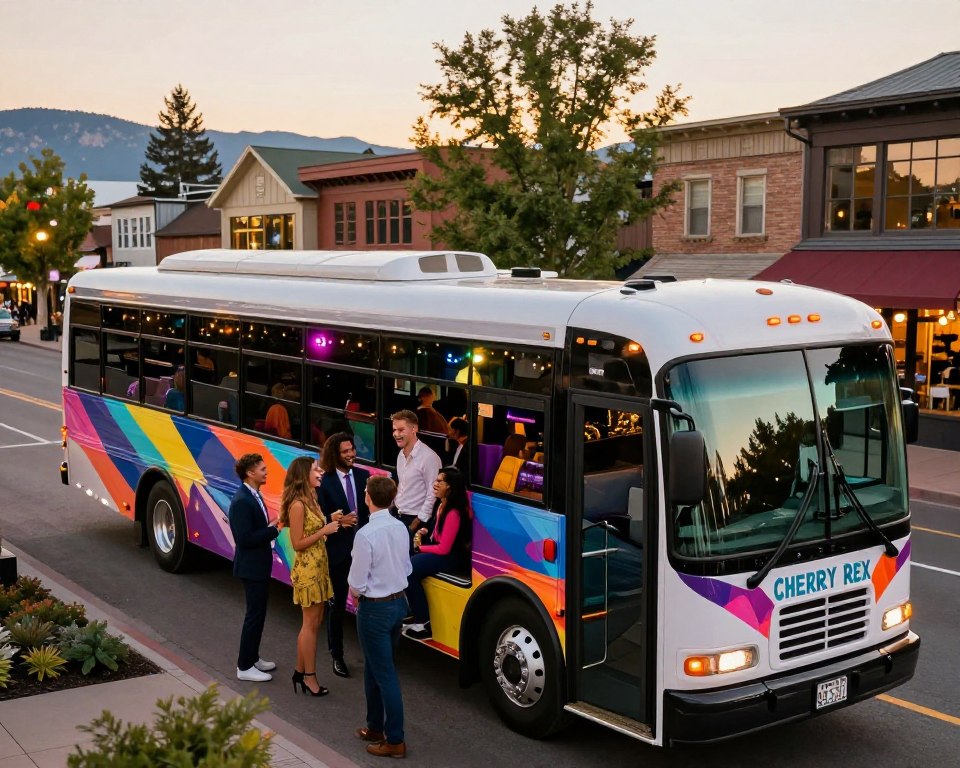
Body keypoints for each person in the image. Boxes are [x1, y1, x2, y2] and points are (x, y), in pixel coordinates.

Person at [349, 475, 411, 759]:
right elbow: (407, 567)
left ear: (367, 498)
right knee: (375, 668)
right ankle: (374, 726)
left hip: (374, 609)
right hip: (398, 604)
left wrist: (356, 592)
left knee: (384, 674)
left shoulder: (365, 534)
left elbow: (356, 582)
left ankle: (395, 740)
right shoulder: (400, 527)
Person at [280, 455, 343, 697]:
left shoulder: (312, 498)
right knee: (310, 625)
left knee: (314, 624)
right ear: (304, 475)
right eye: (316, 469)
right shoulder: (297, 505)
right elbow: (297, 543)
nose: (321, 472)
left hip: (319, 568)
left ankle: (300, 671)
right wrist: (325, 530)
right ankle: (309, 677)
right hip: (308, 572)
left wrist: (331, 520)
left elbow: (314, 528)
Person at [318, 431, 370, 678]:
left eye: (352, 449)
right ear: (335, 455)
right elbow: (317, 519)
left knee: (368, 604)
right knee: (337, 606)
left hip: (364, 553)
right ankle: (336, 655)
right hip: (338, 553)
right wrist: (338, 521)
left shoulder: (363, 476)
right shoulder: (324, 482)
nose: (351, 454)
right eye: (345, 451)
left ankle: (371, 653)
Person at [228, 453, 280, 682]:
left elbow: (254, 530)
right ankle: (244, 666)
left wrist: (271, 525)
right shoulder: (242, 500)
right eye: (262, 469)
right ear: (250, 473)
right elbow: (244, 538)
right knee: (254, 616)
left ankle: (253, 657)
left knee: (258, 615)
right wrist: (274, 530)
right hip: (251, 568)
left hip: (259, 565)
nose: (266, 472)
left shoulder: (253, 495)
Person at [404, 466, 471, 640]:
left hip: (451, 558)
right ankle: (413, 611)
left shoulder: (454, 513)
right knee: (406, 561)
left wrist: (420, 548)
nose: (435, 484)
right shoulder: (441, 505)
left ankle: (423, 622)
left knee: (409, 568)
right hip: (443, 554)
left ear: (450, 487)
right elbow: (439, 535)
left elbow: (444, 548)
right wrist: (426, 532)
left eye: (440, 481)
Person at [392, 409, 443, 537]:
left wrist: (418, 521)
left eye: (401, 430)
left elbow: (433, 493)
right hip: (398, 515)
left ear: (414, 429)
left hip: (415, 520)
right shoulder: (400, 455)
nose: (396, 434)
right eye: (394, 430)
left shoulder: (429, 458)